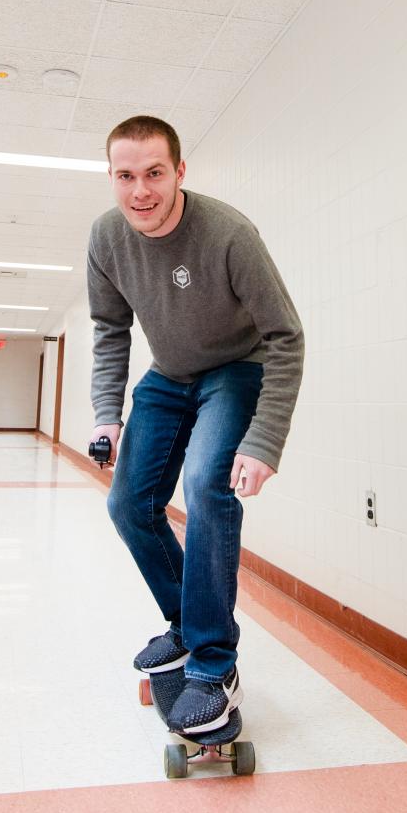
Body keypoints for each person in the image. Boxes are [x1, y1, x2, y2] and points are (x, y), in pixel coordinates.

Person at [87, 115, 304, 736]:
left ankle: (214, 663)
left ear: (179, 171)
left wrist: (264, 440)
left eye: (154, 173)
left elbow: (286, 336)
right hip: (169, 375)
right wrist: (108, 414)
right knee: (129, 504)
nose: (140, 192)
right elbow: (109, 329)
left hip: (236, 370)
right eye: (125, 176)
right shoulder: (106, 239)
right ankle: (186, 626)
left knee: (207, 486)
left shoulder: (230, 234)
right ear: (111, 177)